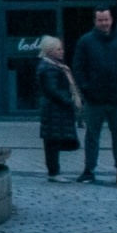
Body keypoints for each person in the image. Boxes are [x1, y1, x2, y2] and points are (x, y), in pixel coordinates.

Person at [71, 7, 117, 185]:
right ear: (95, 21)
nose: (104, 23)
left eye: (106, 19)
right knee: (92, 136)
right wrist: (87, 90)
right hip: (94, 101)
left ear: (111, 19)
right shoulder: (85, 42)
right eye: (100, 20)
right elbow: (78, 68)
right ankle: (88, 170)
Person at [36, 35, 82, 180]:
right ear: (49, 51)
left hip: (55, 109)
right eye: (58, 49)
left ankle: (54, 171)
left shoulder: (54, 66)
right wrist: (68, 100)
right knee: (52, 142)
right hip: (54, 109)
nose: (62, 51)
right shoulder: (49, 68)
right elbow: (52, 90)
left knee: (53, 140)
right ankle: (54, 172)